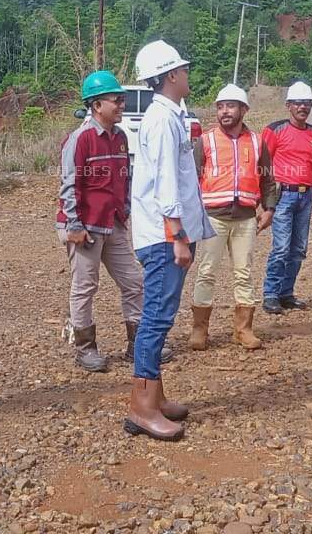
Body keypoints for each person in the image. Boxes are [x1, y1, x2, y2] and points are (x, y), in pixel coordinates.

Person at [125, 40, 214, 441]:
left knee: (160, 314)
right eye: (183, 69)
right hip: (164, 237)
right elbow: (165, 183)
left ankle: (155, 400)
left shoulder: (168, 116)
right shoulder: (162, 121)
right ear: (171, 76)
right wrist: (177, 235)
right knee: (157, 318)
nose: (187, 74)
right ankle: (142, 409)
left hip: (167, 234)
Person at [56, 70, 173, 371]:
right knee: (85, 286)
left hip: (113, 222)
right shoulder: (80, 140)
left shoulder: (120, 137)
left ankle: (138, 344)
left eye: (122, 100)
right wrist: (74, 226)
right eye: (117, 100)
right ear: (96, 105)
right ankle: (85, 348)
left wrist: (125, 210)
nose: (122, 105)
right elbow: (69, 186)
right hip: (85, 225)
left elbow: (125, 176)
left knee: (134, 282)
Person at [189, 83, 275, 351]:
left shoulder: (257, 141)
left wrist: (269, 209)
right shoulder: (206, 140)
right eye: (220, 106)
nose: (224, 111)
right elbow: (191, 179)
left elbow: (268, 179)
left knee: (244, 273)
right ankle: (199, 330)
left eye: (230, 106)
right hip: (213, 215)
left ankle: (243, 330)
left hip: (246, 217)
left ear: (243, 110)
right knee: (206, 272)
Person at [261, 81, 312, 315]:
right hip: (283, 195)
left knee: (298, 249)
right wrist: (265, 199)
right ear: (288, 105)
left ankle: (286, 293)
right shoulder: (275, 130)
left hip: (304, 196)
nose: (303, 107)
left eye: (307, 103)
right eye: (298, 103)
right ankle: (270, 294)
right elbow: (263, 164)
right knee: (281, 247)